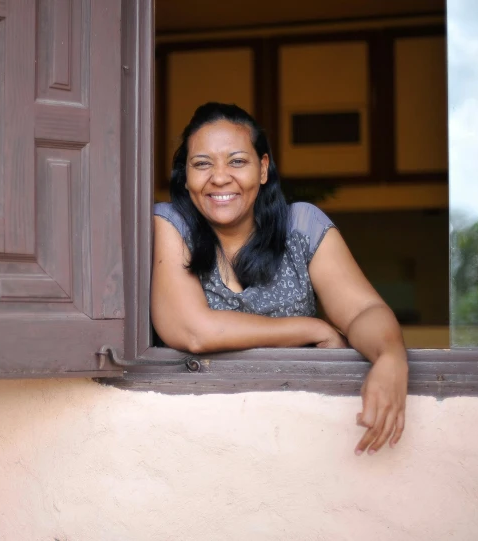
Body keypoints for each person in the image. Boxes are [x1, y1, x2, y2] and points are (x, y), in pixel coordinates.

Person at [152, 102, 408, 456]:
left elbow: (364, 310)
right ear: (186, 176)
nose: (219, 177)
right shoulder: (169, 223)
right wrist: (311, 328)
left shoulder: (301, 225)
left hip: (300, 438)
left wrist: (390, 356)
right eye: (202, 164)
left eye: (237, 161)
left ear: (263, 169)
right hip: (195, 438)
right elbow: (193, 331)